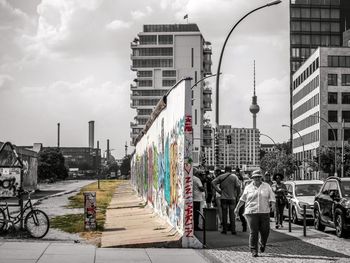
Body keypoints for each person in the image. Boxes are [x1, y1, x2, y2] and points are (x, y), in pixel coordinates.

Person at [234, 169, 276, 257]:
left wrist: (273, 204)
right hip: (251, 212)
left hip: (264, 211)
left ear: (261, 177)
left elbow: (272, 197)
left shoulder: (267, 186)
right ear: (252, 178)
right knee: (254, 232)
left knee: (265, 230)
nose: (257, 178)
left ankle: (262, 242)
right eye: (255, 177)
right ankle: (253, 250)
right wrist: (237, 208)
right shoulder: (248, 187)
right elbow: (243, 199)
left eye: (258, 177)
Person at [212, 166, 241, 235]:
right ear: (231, 170)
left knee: (224, 214)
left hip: (223, 198)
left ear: (225, 170)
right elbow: (238, 186)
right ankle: (233, 230)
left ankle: (224, 230)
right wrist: (237, 195)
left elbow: (213, 182)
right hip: (232, 198)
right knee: (232, 214)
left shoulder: (221, 177)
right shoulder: (234, 177)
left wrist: (218, 190)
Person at [235, 167, 247, 232]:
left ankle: (244, 224)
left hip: (239, 197)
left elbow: (241, 189)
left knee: (240, 213)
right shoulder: (240, 178)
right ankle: (244, 225)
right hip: (239, 197)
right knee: (240, 213)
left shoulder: (238, 178)